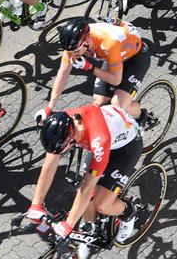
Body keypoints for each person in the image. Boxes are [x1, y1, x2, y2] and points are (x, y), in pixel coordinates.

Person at [25, 105, 143, 248]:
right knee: (87, 199)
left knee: (101, 204)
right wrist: (36, 204)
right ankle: (92, 226)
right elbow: (48, 166)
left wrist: (68, 225)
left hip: (125, 149)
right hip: (106, 136)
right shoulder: (63, 123)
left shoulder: (98, 140)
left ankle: (129, 211)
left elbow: (87, 187)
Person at [36, 16, 149, 122]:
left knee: (118, 106)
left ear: (87, 40)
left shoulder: (108, 44)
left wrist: (89, 67)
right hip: (115, 57)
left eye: (76, 51)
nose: (74, 54)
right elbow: (63, 73)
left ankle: (141, 116)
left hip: (135, 58)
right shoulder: (74, 44)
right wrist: (50, 107)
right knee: (99, 103)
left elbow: (116, 80)